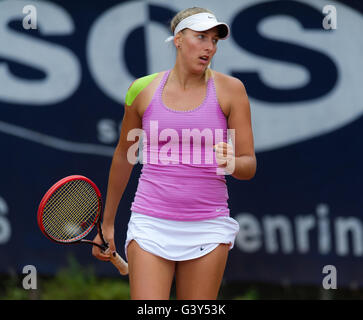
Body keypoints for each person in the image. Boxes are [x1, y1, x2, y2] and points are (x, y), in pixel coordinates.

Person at [92, 7, 256, 300]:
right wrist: (107, 224)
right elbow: (123, 157)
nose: (209, 47)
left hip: (208, 226)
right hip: (149, 223)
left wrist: (232, 163)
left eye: (215, 40)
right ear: (179, 39)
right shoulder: (141, 89)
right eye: (201, 37)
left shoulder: (232, 90)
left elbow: (249, 165)